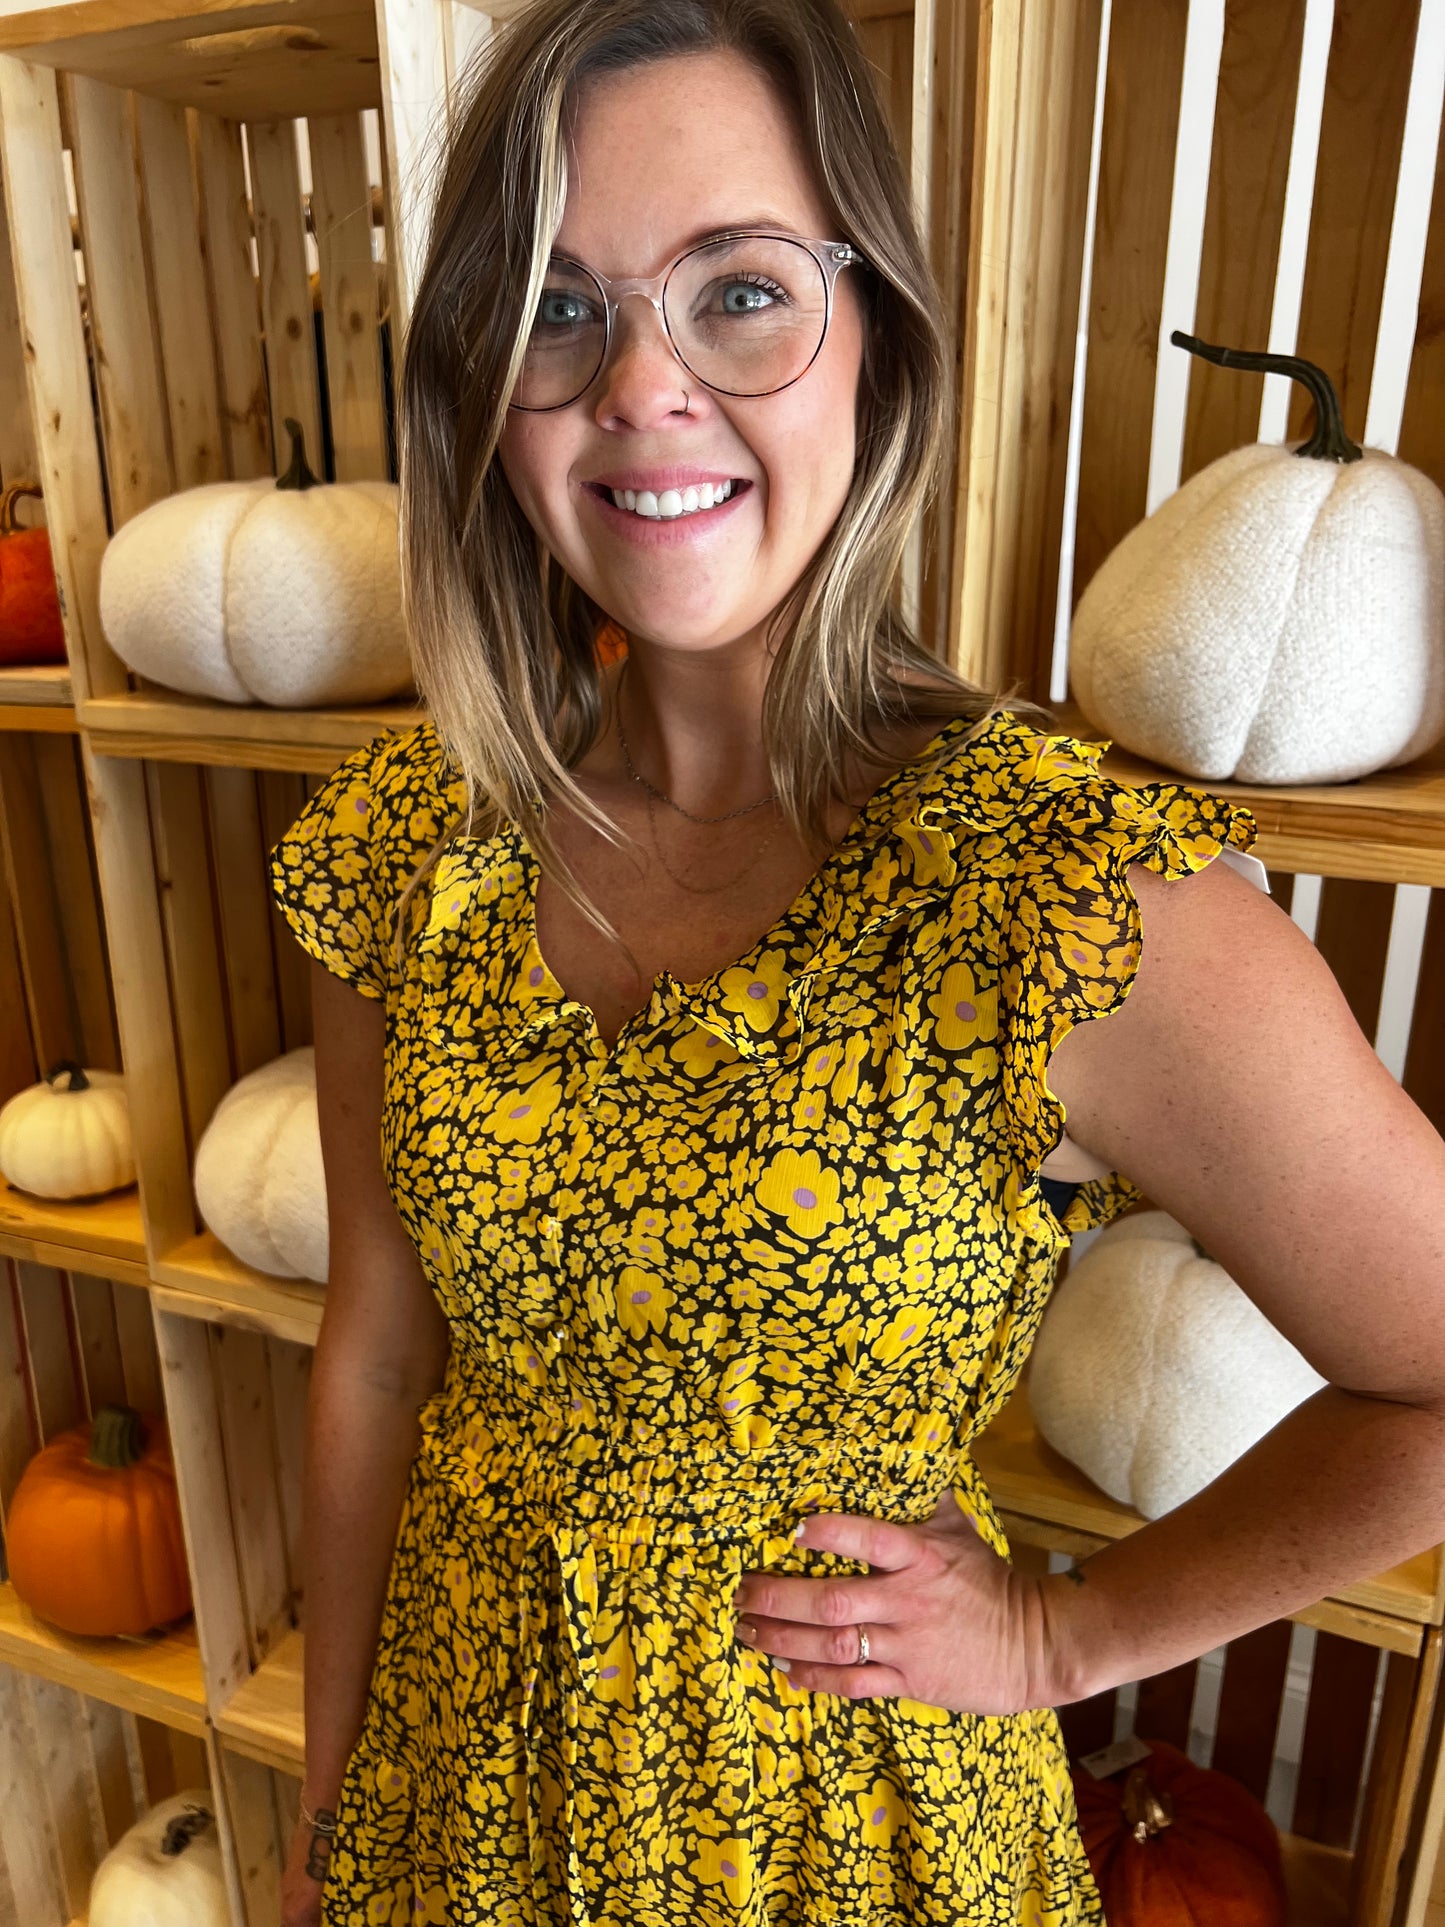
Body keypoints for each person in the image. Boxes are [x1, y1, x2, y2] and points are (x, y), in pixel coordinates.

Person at [268, 1, 1445, 1921]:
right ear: (483, 385)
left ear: (876, 340)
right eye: (560, 309)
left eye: (738, 291)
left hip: (853, 1846)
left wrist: (1066, 1644)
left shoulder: (1053, 892)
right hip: (455, 1798)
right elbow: (381, 1355)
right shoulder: (406, 846)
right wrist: (330, 1804)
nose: (641, 385)